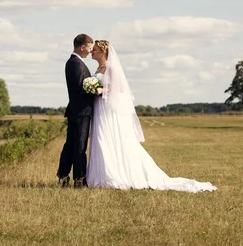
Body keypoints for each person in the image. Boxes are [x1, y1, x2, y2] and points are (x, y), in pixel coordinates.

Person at [86, 40, 217, 193]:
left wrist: (98, 91)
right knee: (102, 139)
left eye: (94, 49)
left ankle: (117, 174)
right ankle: (101, 174)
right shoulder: (99, 67)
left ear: (102, 52)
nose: (91, 52)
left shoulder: (111, 67)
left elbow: (120, 89)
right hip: (100, 108)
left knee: (110, 138)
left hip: (108, 110)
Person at [56, 33, 95, 188]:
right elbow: (80, 89)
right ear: (82, 47)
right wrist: (97, 91)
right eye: (90, 48)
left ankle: (64, 176)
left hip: (77, 111)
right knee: (79, 146)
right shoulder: (76, 64)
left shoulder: (74, 63)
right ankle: (79, 179)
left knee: (71, 145)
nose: (90, 51)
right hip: (80, 112)